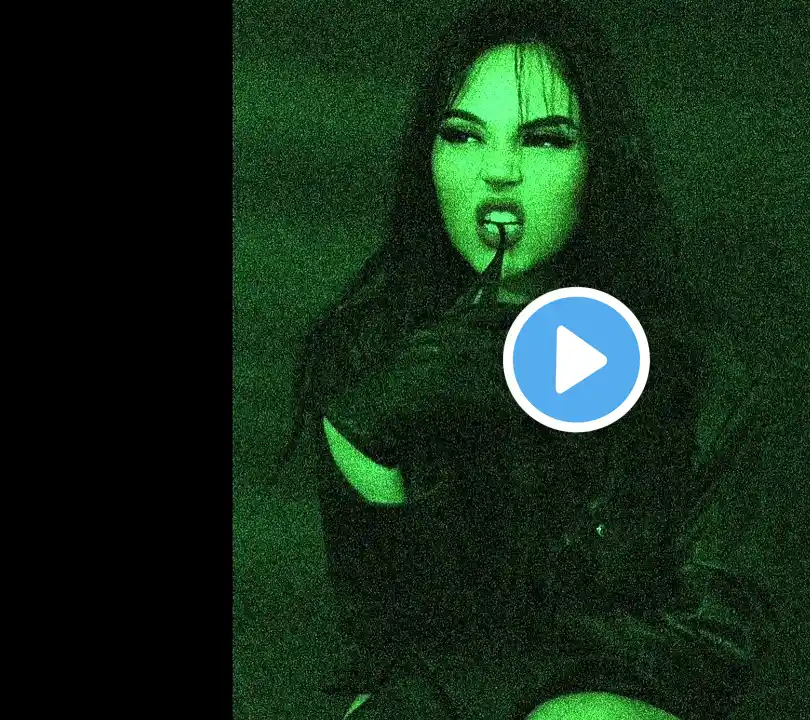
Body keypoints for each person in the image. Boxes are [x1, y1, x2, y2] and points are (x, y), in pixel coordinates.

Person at [278, 1, 781, 717]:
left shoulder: (697, 370)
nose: (499, 172)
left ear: (598, 163)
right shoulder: (376, 353)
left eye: (544, 140)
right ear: (428, 159)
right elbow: (383, 639)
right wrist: (374, 433)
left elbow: (714, 644)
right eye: (462, 135)